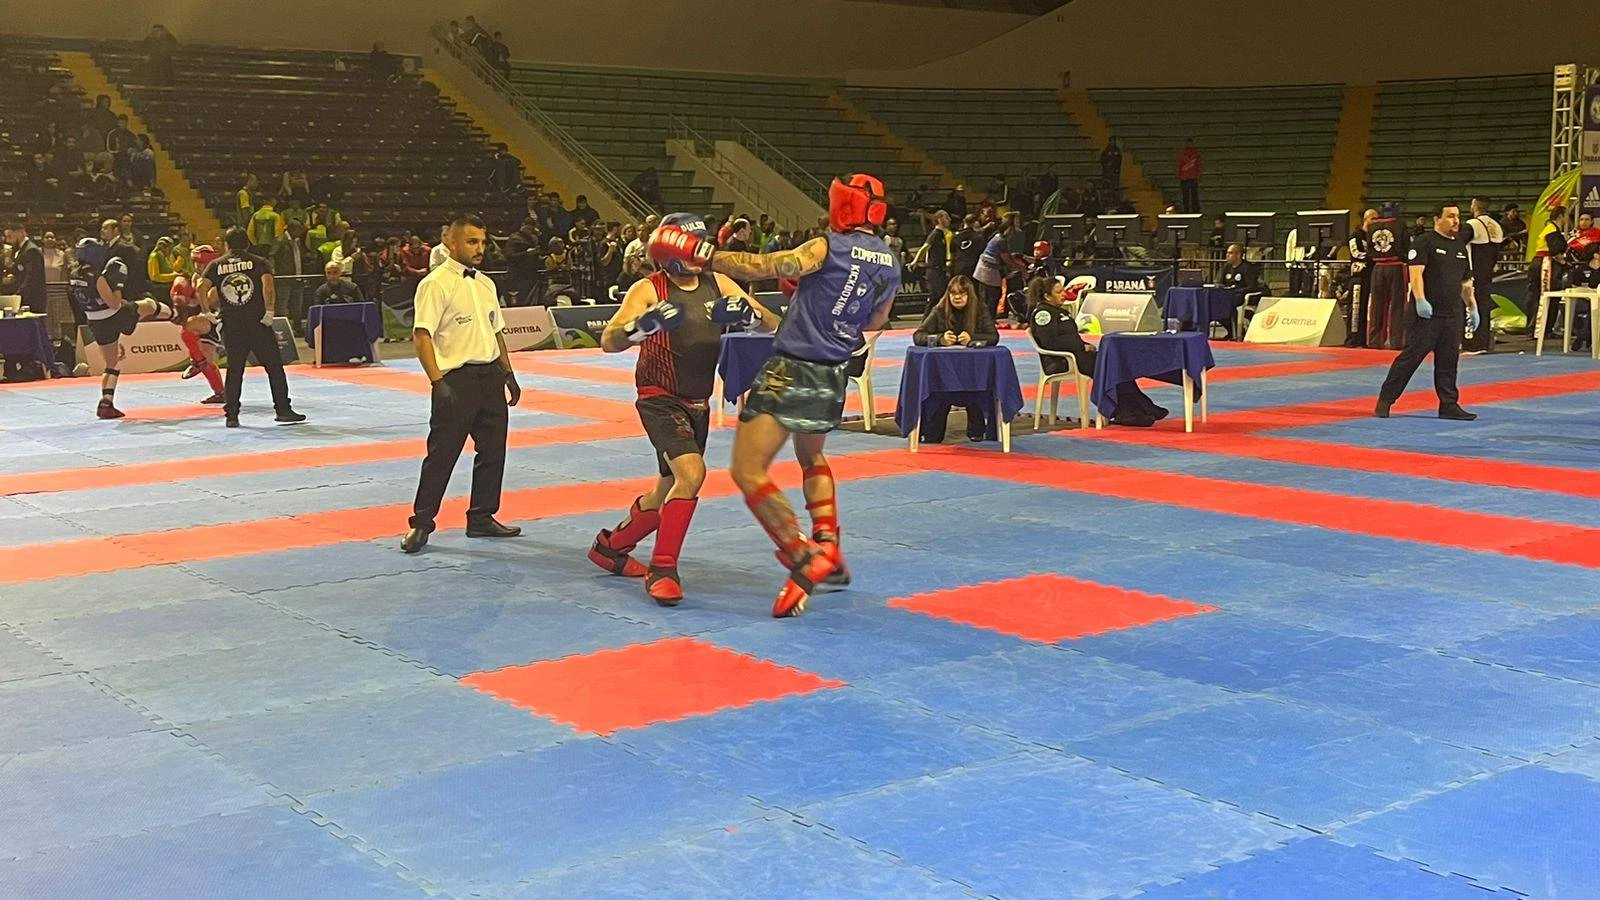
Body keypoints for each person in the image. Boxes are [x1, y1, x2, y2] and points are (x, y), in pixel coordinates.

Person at [649, 173, 902, 617]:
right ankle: (827, 544)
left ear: (844, 205)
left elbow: (763, 267)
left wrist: (704, 254)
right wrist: (821, 300)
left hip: (794, 367)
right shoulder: (890, 260)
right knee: (812, 457)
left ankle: (803, 557)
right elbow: (876, 320)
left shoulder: (827, 247)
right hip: (834, 372)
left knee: (748, 470)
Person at [588, 213, 779, 604]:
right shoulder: (649, 288)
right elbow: (609, 340)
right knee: (692, 474)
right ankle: (663, 568)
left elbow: (773, 324)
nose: (701, 252)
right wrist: (642, 326)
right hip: (659, 397)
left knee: (667, 486)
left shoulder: (718, 283)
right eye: (694, 245)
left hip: (698, 401)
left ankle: (610, 547)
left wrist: (750, 316)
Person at [401, 214, 522, 554]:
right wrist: (437, 382)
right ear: (450, 242)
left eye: (482, 242)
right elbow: (421, 335)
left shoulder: (486, 284)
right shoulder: (435, 284)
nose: (479, 248)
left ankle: (481, 517)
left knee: (493, 451)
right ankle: (421, 523)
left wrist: (508, 373)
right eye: (472, 242)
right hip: (456, 379)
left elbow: (496, 332)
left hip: (490, 376)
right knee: (442, 454)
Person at [1375, 202, 1476, 422]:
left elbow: (1466, 283)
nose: (1456, 221)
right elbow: (1416, 274)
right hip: (1426, 315)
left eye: (1458, 216)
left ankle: (1448, 404)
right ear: (1437, 219)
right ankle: (1386, 399)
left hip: (1452, 315)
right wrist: (1420, 299)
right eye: (1450, 216)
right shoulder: (1424, 242)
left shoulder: (1459, 247)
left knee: (1449, 363)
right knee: (1410, 359)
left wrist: (1472, 307)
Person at [196, 227, 304, 428]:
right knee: (274, 368)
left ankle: (232, 416)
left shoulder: (216, 265)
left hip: (232, 325)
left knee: (234, 370)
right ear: (247, 243)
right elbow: (268, 287)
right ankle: (283, 410)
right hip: (257, 323)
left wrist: (206, 312)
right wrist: (270, 311)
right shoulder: (259, 262)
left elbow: (200, 287)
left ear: (227, 245)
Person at [1026, 276, 1164, 427]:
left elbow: (1070, 337)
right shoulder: (1043, 314)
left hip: (1078, 356)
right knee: (1109, 367)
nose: (1064, 294)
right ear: (1047, 296)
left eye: (1063, 290)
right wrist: (1080, 347)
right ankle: (1129, 412)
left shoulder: (1060, 312)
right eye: (1058, 292)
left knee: (1115, 364)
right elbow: (1050, 342)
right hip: (1061, 361)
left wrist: (1084, 344)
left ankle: (1140, 407)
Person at [68, 235, 179, 418]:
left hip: (95, 320)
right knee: (149, 305)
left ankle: (106, 403)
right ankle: (177, 316)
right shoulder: (96, 276)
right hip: (113, 315)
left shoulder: (74, 274)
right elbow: (115, 303)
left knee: (112, 364)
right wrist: (117, 284)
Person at [911, 276, 999, 443]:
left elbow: (993, 337)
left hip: (972, 370)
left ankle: (977, 429)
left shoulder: (980, 309)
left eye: (962, 293)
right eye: (953, 293)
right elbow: (918, 336)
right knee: (939, 392)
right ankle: (932, 431)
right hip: (944, 370)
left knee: (977, 387)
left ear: (969, 295)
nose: (957, 297)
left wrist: (972, 339)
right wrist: (940, 339)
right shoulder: (939, 309)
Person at [1462, 198, 1503, 354]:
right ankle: (1483, 343)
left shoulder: (1472, 225)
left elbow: (1457, 244)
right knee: (1484, 306)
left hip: (1472, 272)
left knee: (1470, 305)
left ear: (1475, 206)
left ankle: (1471, 343)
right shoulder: (1497, 226)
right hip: (1488, 272)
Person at [1365, 209, 1408, 350]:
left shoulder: (1372, 226)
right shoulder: (1400, 225)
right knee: (1397, 306)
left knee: (1377, 306)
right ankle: (1396, 341)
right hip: (1396, 265)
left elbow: (1369, 250)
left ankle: (1374, 341)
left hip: (1378, 267)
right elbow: (1405, 246)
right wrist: (1404, 258)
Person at [1529, 205, 1571, 337]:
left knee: (1541, 296)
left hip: (1543, 262)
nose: (1567, 218)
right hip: (1546, 265)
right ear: (1560, 216)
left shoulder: (1550, 229)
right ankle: (1542, 329)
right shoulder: (1552, 230)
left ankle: (1541, 328)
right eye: (1566, 215)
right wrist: (1563, 262)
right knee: (1547, 295)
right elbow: (1555, 250)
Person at [1346, 209, 1378, 347]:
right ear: (1366, 219)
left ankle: (1364, 339)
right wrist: (1373, 257)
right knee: (1356, 308)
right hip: (1358, 277)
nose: (1376, 222)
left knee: (1367, 310)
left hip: (1372, 276)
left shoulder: (1375, 237)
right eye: (1373, 219)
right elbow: (1356, 253)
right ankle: (1353, 339)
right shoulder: (1356, 235)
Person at [913, 210, 951, 311]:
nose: (949, 220)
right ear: (940, 219)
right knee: (934, 297)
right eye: (946, 217)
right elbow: (924, 248)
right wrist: (915, 261)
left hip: (940, 270)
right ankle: (926, 319)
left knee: (941, 297)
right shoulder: (934, 234)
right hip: (934, 271)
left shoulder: (942, 234)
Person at [1177, 138, 1202, 214]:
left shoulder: (1196, 154)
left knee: (1194, 195)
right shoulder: (1182, 154)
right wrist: (1179, 175)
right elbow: (1179, 165)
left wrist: (1198, 175)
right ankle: (1186, 210)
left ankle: (1195, 210)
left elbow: (1198, 165)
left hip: (1193, 177)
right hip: (1185, 177)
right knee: (1185, 195)